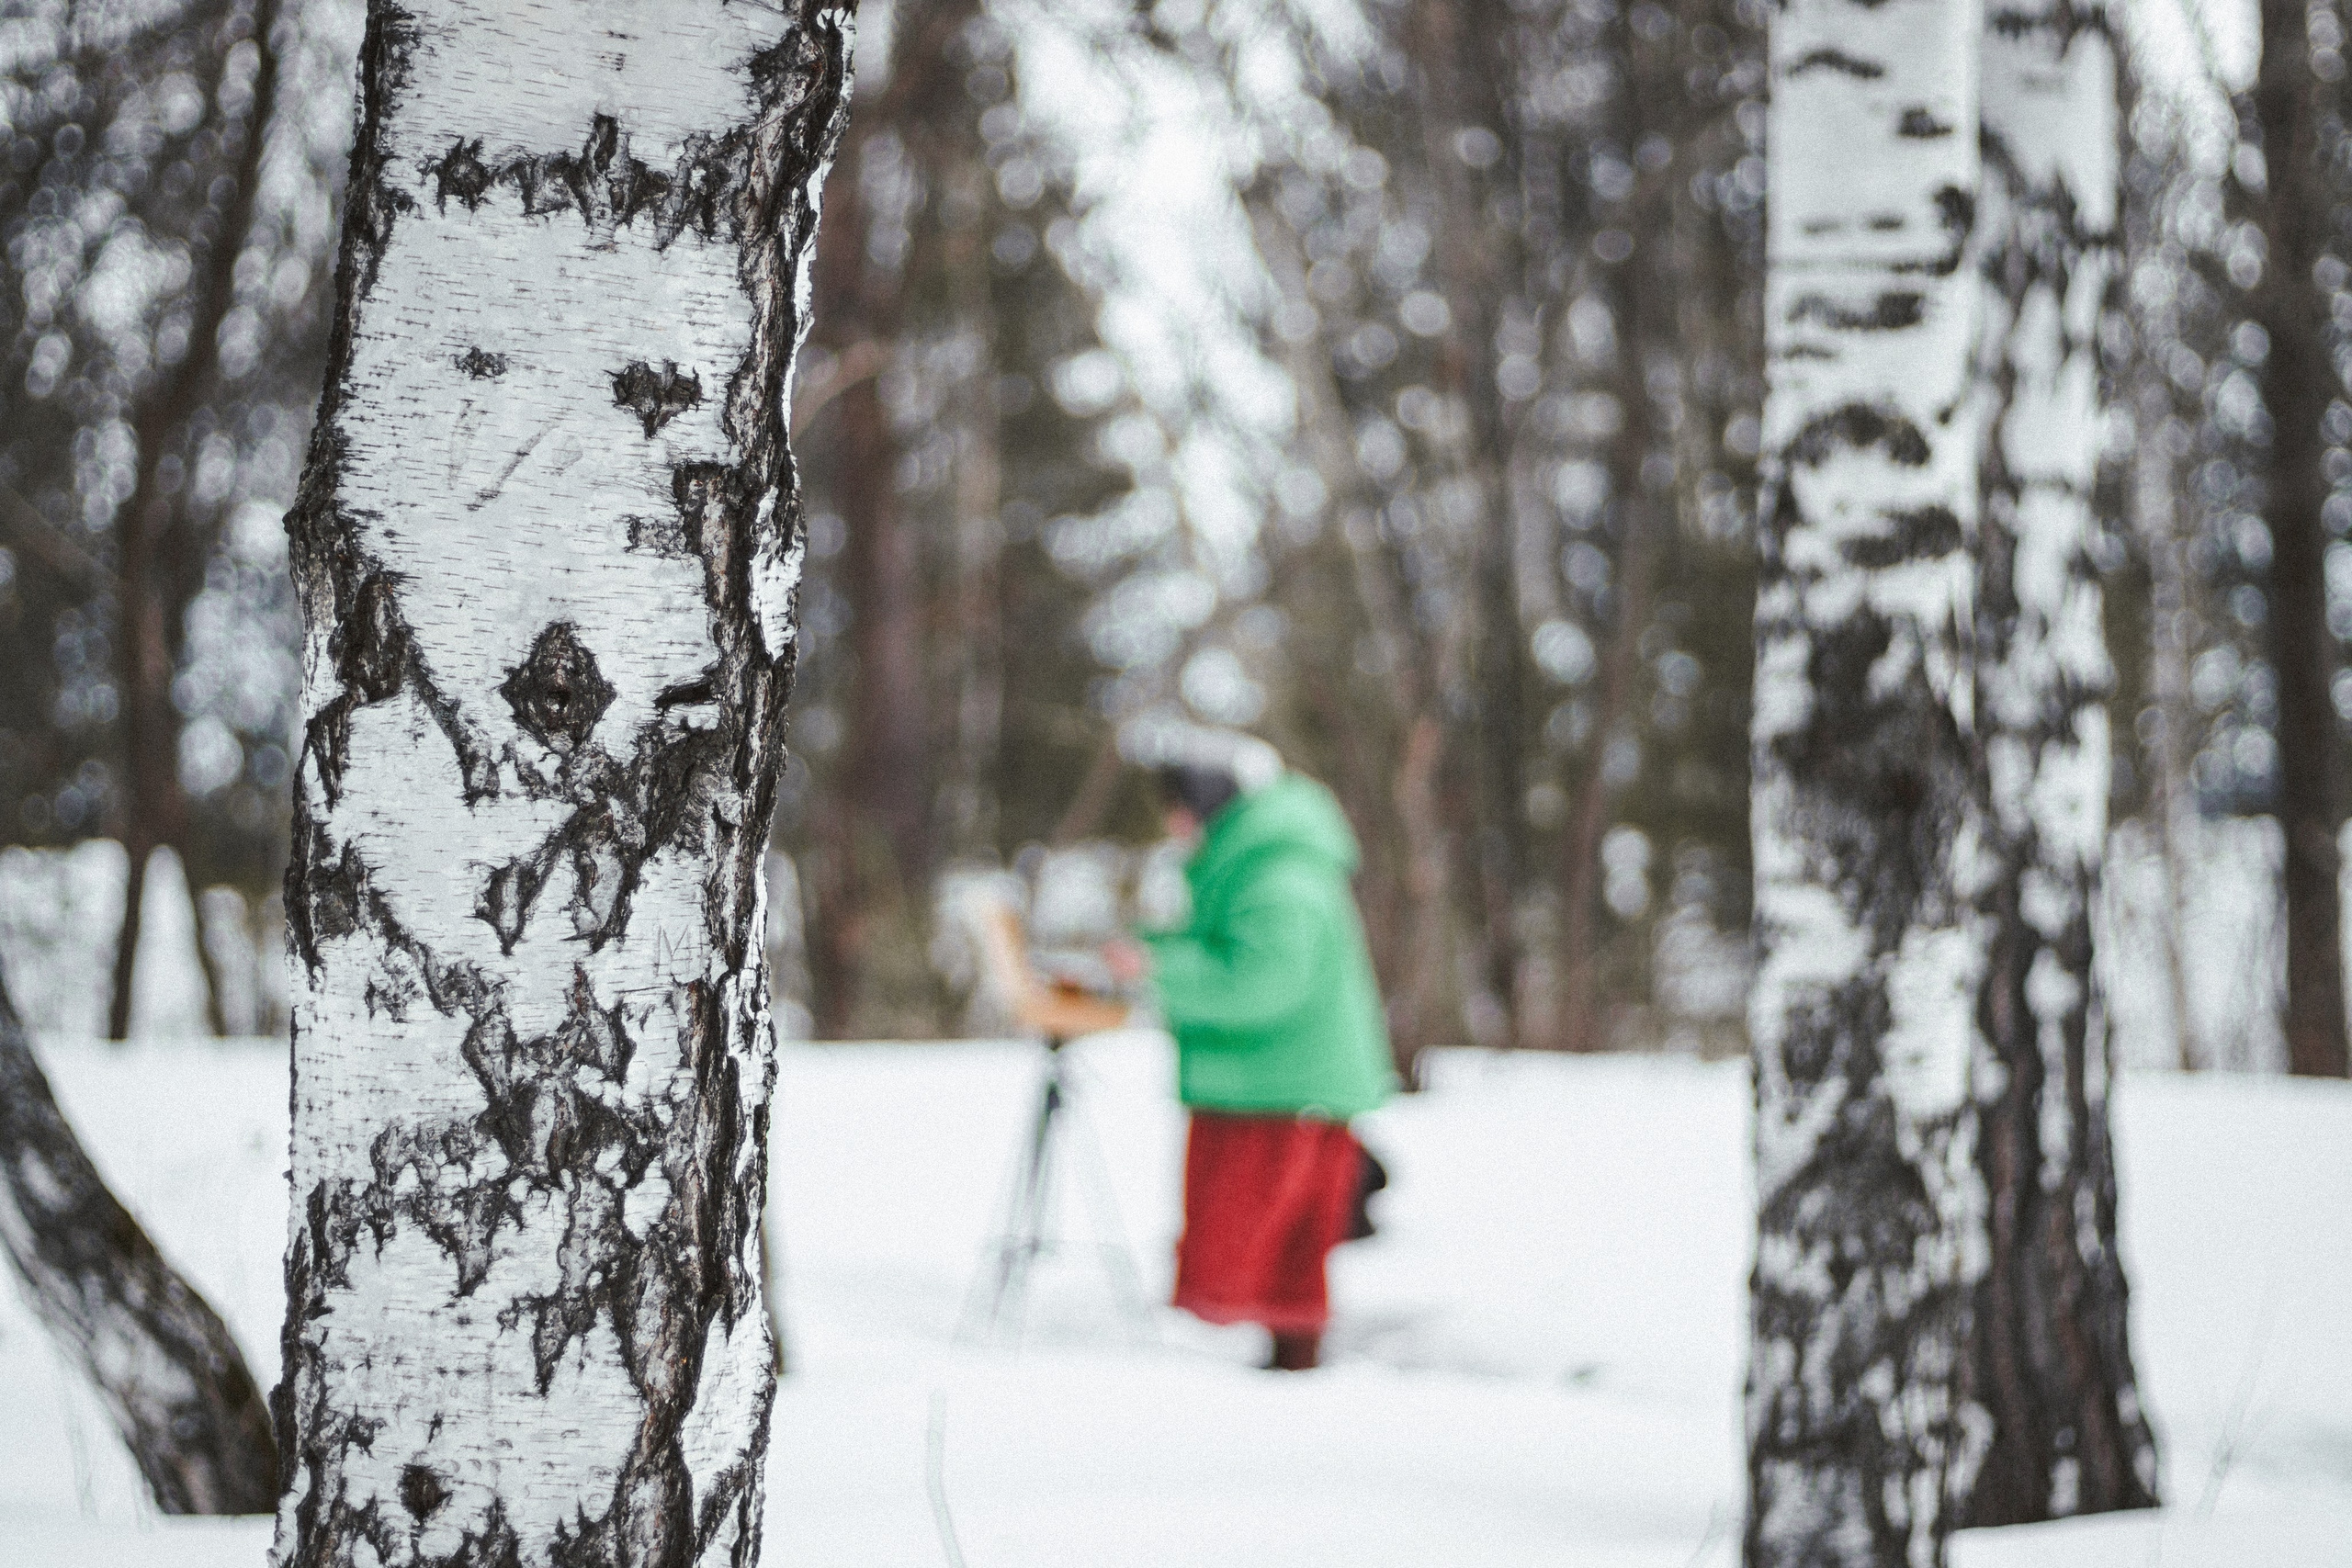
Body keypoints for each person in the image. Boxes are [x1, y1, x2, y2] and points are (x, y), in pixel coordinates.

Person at [1106, 740, 1395, 1371]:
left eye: (1180, 808)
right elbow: (1225, 946)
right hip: (1277, 1082)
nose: (1173, 824)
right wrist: (1158, 952)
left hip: (1286, 1089)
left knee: (1267, 1247)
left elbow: (1263, 982)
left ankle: (1282, 1389)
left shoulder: (1280, 876)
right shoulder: (1254, 863)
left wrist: (1158, 966)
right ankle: (1283, 1374)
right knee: (1279, 1253)